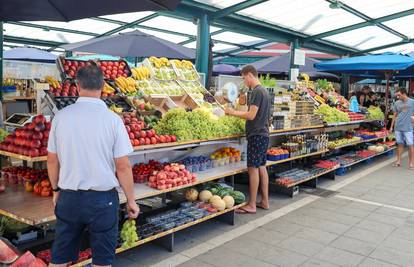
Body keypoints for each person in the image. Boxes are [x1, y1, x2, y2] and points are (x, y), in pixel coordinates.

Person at [47, 65, 140, 267]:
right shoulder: (113, 120)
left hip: (69, 197)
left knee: (60, 257)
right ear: (102, 86)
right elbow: (123, 166)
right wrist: (131, 200)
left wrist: (55, 190)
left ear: (77, 85)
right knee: (102, 260)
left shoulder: (61, 117)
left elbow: (52, 160)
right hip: (102, 201)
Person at [225, 65, 271, 214]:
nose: (244, 81)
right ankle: (264, 201)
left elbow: (251, 115)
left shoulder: (257, 92)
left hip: (256, 135)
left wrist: (232, 113)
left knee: (253, 169)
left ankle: (251, 204)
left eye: (244, 78)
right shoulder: (264, 91)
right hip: (263, 133)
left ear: (250, 75)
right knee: (262, 167)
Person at [390, 88, 414, 169]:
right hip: (398, 127)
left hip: (408, 128)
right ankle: (398, 161)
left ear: (404, 94)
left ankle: (411, 163)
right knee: (399, 144)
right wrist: (391, 126)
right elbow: (395, 115)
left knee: (410, 145)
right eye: (397, 95)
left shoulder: (412, 102)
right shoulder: (397, 103)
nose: (398, 97)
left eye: (399, 95)